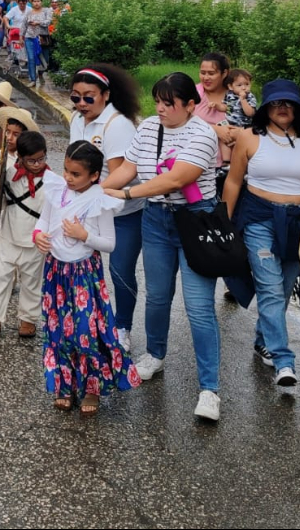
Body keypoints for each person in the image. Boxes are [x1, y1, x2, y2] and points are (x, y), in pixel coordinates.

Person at [103, 72, 224, 422]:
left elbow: (177, 178)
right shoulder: (149, 128)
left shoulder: (202, 133)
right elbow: (128, 167)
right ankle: (154, 354)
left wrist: (124, 195)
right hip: (156, 219)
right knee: (157, 296)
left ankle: (210, 389)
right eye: (158, 101)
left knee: (199, 307)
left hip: (195, 221)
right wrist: (94, 195)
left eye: (170, 103)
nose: (161, 109)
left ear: (190, 105)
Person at [223, 81, 300, 387]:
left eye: (289, 104)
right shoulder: (249, 137)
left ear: (298, 108)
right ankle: (284, 360)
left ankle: (263, 340)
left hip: (299, 223)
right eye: (275, 103)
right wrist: (225, 222)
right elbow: (233, 182)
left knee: (283, 289)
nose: (283, 108)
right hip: (259, 219)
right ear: (266, 108)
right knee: (270, 288)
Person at [34, 140, 140, 414]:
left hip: (84, 275)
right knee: (58, 330)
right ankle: (64, 385)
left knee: (85, 331)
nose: (68, 177)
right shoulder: (57, 190)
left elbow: (110, 243)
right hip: (57, 272)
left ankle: (91, 388)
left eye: (76, 174)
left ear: (94, 175)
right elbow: (43, 221)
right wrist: (39, 236)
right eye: (66, 170)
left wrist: (85, 236)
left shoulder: (99, 201)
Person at [67, 65, 141, 351]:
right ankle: (88, 322)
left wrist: (93, 194)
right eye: (76, 97)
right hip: (90, 208)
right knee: (83, 268)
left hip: (124, 212)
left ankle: (122, 326)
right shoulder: (78, 119)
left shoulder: (117, 124)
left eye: (89, 97)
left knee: (121, 271)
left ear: (106, 95)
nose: (82, 104)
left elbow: (121, 174)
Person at [0, 121, 50, 341]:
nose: (37, 164)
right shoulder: (6, 174)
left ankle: (28, 319)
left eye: (41, 159)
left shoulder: (52, 182)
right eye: (31, 160)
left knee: (31, 282)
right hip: (7, 237)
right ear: (19, 157)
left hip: (34, 241)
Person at [195, 52, 236, 164]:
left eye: (211, 73)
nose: (206, 78)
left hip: (235, 165)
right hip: (198, 163)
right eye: (203, 73)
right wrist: (215, 129)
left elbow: (253, 125)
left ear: (224, 73)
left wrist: (239, 135)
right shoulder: (193, 94)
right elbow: (181, 123)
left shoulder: (237, 96)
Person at [22, 0, 51, 85]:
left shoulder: (46, 11)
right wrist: (20, 36)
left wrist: (38, 23)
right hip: (29, 37)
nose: (36, 3)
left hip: (42, 38)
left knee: (45, 60)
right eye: (34, 1)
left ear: (41, 2)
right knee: (31, 58)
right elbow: (24, 25)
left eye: (38, 1)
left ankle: (40, 73)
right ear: (32, 3)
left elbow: (48, 22)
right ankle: (32, 79)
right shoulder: (29, 12)